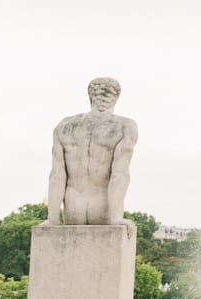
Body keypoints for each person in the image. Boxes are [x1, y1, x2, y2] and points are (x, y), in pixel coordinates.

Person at [44, 77, 139, 226]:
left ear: (90, 96)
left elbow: (57, 176)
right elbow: (119, 175)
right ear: (116, 98)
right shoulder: (125, 127)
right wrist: (116, 218)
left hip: (73, 207)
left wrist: (52, 219)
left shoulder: (64, 126)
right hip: (103, 208)